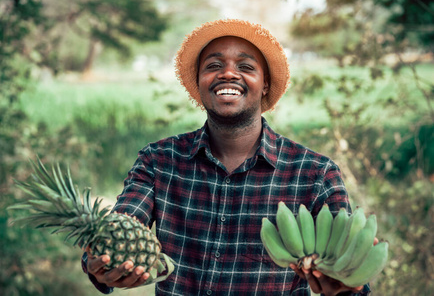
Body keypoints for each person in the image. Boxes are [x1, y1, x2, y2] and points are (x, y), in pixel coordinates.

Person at [82, 19, 371, 295]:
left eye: (245, 66)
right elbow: (118, 228)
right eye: (214, 66)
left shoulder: (315, 174)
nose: (228, 74)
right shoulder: (158, 161)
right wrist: (98, 264)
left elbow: (351, 274)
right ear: (199, 82)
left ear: (265, 85)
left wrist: (347, 286)